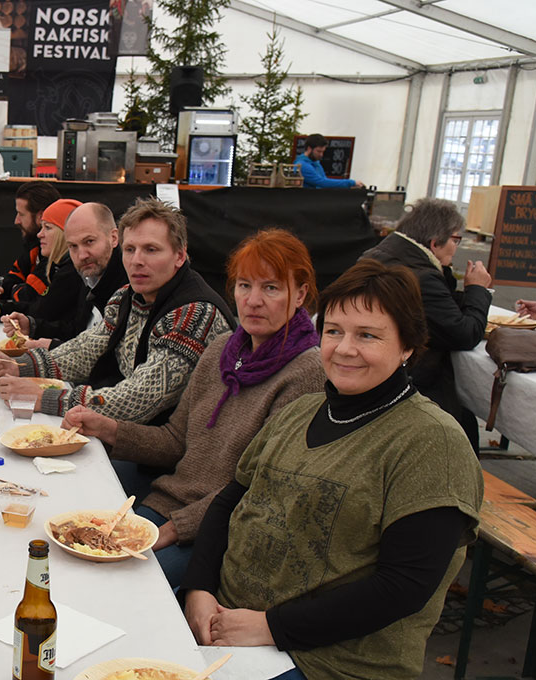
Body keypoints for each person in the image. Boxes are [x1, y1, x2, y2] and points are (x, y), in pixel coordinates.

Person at [180, 260, 482, 680]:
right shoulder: (302, 411)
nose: (343, 348)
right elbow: (232, 499)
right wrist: (199, 590)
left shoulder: (431, 442)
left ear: (408, 345)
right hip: (228, 620)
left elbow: (403, 588)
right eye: (335, 330)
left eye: (368, 335)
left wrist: (270, 627)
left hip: (328, 659)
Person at [61, 229, 324, 587]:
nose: (253, 300)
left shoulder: (306, 372)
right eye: (244, 286)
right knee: (73, 552)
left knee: (119, 583)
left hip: (219, 531)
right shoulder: (221, 350)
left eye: (271, 288)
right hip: (167, 503)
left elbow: (259, 488)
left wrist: (172, 530)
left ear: (302, 295)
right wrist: (107, 428)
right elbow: (175, 441)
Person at [0, 197, 234, 423]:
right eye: (130, 249)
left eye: (151, 249)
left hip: (177, 460)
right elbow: (85, 350)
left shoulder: (194, 314)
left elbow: (139, 400)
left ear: (180, 256)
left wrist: (44, 396)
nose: (137, 261)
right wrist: (18, 366)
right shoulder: (128, 295)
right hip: (140, 439)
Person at [361, 198, 489, 450]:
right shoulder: (421, 276)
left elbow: (440, 309)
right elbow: (464, 334)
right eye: (456, 239)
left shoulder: (383, 253)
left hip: (377, 374)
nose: (456, 247)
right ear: (433, 243)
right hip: (408, 382)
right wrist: (477, 290)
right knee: (464, 423)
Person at [0, 202, 127, 348]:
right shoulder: (89, 275)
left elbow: (104, 355)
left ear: (114, 238)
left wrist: (52, 346)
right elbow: (78, 331)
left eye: (89, 241)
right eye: (73, 246)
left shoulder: (128, 287)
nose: (82, 255)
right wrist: (32, 326)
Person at [0, 180, 60, 307]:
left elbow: (26, 296)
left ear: (41, 216)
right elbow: (13, 276)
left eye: (21, 214)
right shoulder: (34, 245)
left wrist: (13, 289)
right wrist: (8, 288)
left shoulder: (55, 254)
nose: (16, 221)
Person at [294, 133, 364, 189]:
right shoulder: (302, 166)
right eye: (318, 151)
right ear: (309, 148)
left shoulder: (315, 163)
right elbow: (322, 182)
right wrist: (350, 183)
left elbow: (324, 180)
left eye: (323, 152)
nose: (321, 155)